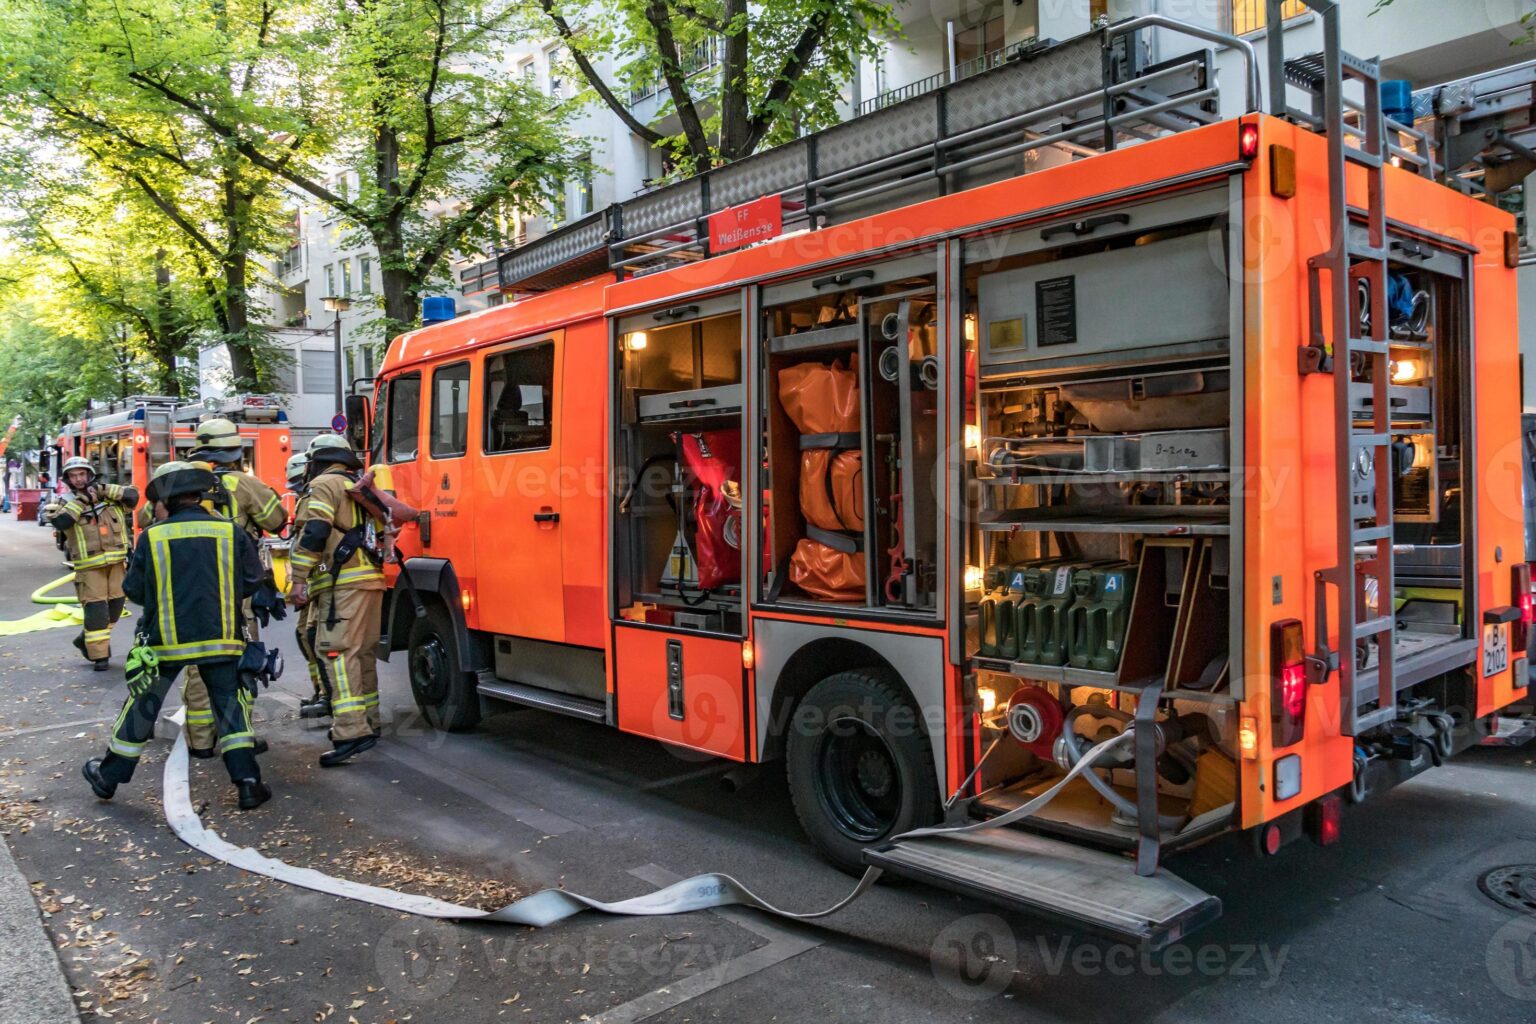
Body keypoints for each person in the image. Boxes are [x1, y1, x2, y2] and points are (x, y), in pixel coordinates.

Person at [81, 462, 270, 810]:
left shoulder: (153, 536)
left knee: (142, 706)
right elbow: (253, 579)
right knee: (231, 709)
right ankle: (248, 784)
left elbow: (133, 590)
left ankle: (108, 778)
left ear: (166, 501)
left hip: (165, 642)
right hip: (222, 639)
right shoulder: (230, 532)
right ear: (199, 497)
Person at [178, 419, 286, 759]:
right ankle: (238, 738)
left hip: (192, 589)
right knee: (239, 660)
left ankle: (200, 740)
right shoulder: (242, 483)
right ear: (235, 452)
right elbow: (278, 519)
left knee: (197, 662)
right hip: (235, 590)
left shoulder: (178, 484)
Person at [288, 435, 387, 766]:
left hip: (343, 583)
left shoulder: (323, 485)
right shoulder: (360, 486)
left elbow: (315, 531)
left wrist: (298, 579)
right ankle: (369, 722)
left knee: (336, 653)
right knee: (363, 654)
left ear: (316, 460)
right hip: (371, 581)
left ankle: (350, 731)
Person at [47, 456, 136, 670]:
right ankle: (99, 656)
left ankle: (85, 639)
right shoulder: (63, 501)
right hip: (89, 568)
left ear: (89, 474)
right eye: (73, 476)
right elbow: (61, 522)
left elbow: (133, 497)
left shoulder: (108, 496)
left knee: (115, 608)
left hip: (116, 564)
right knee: (96, 611)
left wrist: (104, 490)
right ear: (68, 479)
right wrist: (82, 500)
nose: (78, 479)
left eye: (82, 474)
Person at [284, 452, 333, 719]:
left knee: (315, 636)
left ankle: (328, 695)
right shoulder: (308, 495)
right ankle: (320, 691)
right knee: (305, 635)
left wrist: (299, 580)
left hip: (320, 578)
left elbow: (312, 539)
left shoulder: (317, 494)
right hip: (312, 578)